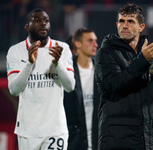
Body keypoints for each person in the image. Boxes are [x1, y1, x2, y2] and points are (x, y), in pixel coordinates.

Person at [94, 3, 153, 150]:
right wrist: (143, 61)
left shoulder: (146, 53)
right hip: (117, 138)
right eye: (121, 21)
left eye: (130, 21)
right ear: (116, 24)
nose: (125, 25)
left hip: (147, 137)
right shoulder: (106, 52)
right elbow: (114, 84)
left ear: (141, 27)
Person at [6, 8, 75, 150]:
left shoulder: (61, 48)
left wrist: (57, 63)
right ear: (27, 26)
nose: (43, 24)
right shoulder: (16, 51)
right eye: (37, 20)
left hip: (55, 129)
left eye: (46, 21)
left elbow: (70, 87)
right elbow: (14, 90)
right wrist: (29, 64)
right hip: (28, 131)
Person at [64, 27, 99, 150]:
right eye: (90, 41)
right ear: (77, 44)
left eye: (95, 40)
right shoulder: (66, 71)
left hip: (97, 141)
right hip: (74, 142)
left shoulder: (101, 70)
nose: (95, 44)